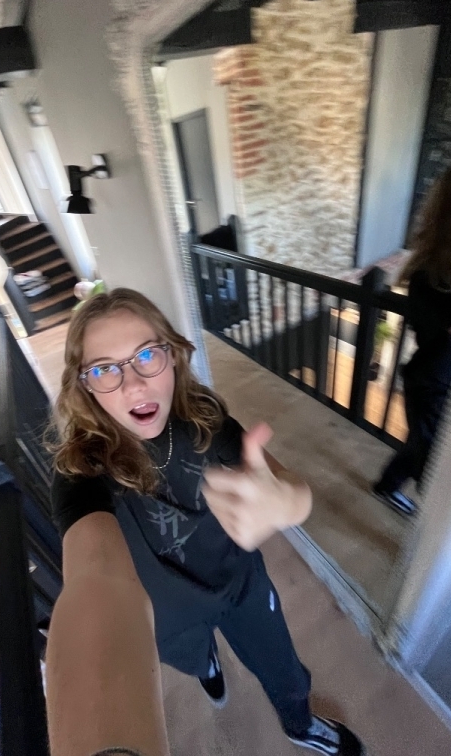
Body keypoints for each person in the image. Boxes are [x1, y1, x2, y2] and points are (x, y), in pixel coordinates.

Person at [47, 288, 365, 756]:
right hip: (170, 616)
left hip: (241, 586)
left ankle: (300, 725)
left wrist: (286, 503)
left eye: (146, 355)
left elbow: (289, 486)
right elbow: (94, 578)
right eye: (104, 369)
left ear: (173, 356)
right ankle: (208, 665)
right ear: (85, 386)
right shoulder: (80, 471)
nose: (133, 385)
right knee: (196, 659)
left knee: (285, 670)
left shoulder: (206, 420)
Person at [373, 153, 451, 516]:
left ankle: (386, 485)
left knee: (423, 446)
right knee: (435, 464)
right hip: (433, 387)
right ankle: (420, 513)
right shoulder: (431, 276)